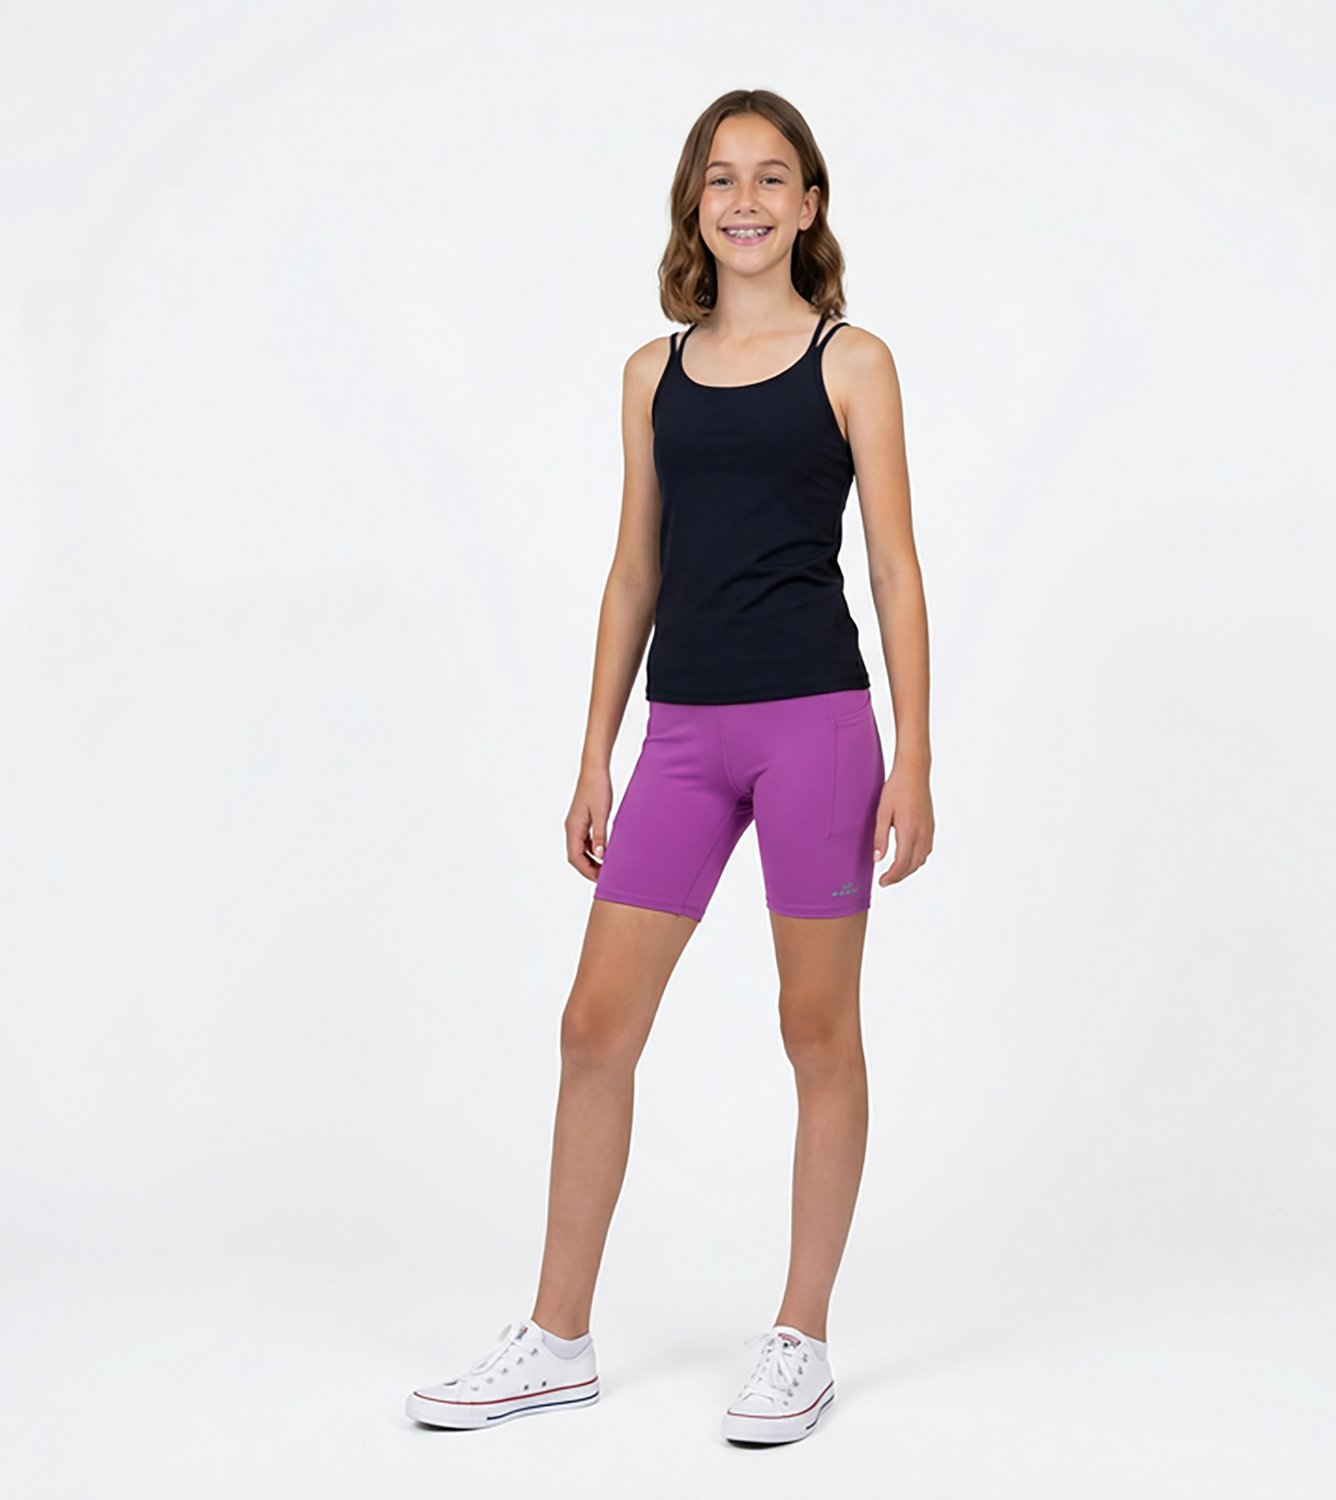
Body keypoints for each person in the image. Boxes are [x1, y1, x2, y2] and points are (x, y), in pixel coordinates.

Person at [406, 87, 934, 1447]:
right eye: (721, 179)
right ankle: (556, 1338)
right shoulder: (653, 373)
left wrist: (917, 757)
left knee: (815, 1027)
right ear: (695, 207)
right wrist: (595, 752)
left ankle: (801, 1336)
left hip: (817, 726)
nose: (745, 200)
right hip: (684, 737)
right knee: (596, 1024)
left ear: (810, 205)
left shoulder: (853, 362)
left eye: (771, 177)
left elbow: (892, 567)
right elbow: (633, 568)